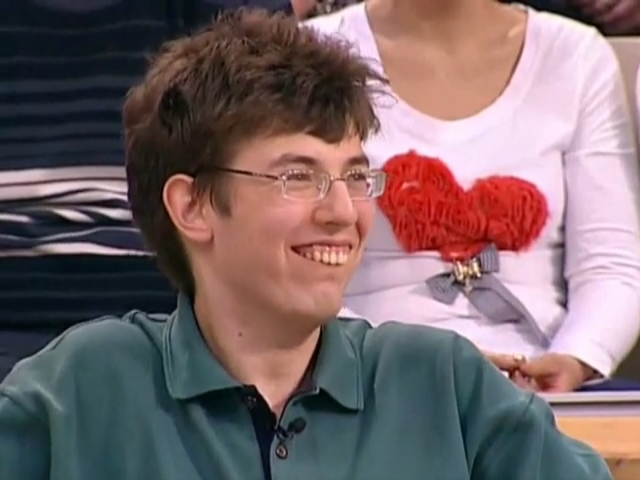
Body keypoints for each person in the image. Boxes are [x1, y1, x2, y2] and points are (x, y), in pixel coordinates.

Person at [0, 9, 612, 480]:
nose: (343, 212)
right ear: (192, 206)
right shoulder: (81, 388)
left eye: (356, 176)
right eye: (298, 177)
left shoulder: (445, 384)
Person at [305, 0, 640, 392]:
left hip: (539, 392)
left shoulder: (577, 55)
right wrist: (401, 363)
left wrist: (575, 358)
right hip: (369, 379)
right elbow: (285, 267)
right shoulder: (313, 54)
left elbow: (611, 265)